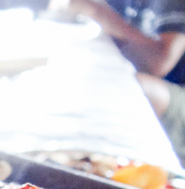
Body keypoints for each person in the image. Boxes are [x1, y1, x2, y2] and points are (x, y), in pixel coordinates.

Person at [66, 0, 185, 162]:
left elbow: (158, 62)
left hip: (177, 94)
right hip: (137, 72)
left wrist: (96, 11)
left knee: (124, 87)